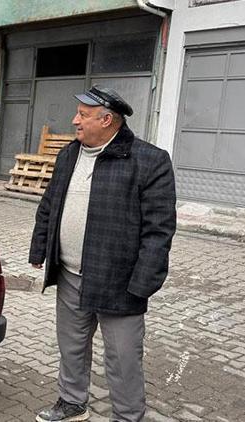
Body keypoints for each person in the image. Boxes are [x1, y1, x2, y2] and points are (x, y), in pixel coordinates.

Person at [29, 85, 176, 422]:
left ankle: (127, 416)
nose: (75, 120)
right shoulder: (69, 154)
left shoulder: (150, 161)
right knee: (71, 346)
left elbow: (159, 230)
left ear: (107, 120)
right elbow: (50, 204)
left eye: (83, 115)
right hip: (70, 274)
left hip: (119, 282)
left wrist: (143, 284)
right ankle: (72, 403)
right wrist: (40, 248)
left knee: (122, 357)